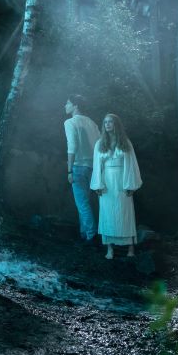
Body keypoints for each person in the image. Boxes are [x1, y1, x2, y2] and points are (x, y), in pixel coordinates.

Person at [90, 113, 142, 259]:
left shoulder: (125, 142)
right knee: (107, 213)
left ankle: (130, 248)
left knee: (125, 212)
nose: (107, 124)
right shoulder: (100, 143)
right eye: (105, 122)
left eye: (110, 122)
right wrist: (98, 185)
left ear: (116, 124)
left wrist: (130, 185)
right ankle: (109, 248)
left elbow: (131, 164)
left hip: (121, 180)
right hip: (106, 182)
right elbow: (97, 165)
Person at [64, 95, 101, 244]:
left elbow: (72, 146)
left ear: (76, 106)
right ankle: (84, 234)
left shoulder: (70, 122)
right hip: (92, 167)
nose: (65, 106)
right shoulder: (92, 123)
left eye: (68, 103)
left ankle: (91, 235)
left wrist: (69, 170)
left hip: (78, 167)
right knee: (85, 203)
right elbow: (99, 147)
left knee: (82, 204)